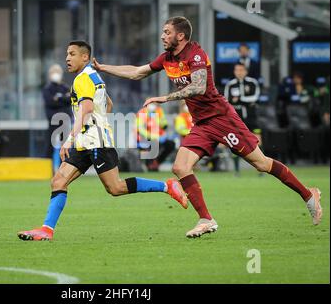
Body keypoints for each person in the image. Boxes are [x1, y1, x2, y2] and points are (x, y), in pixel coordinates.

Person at [92, 16, 322, 238]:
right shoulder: (167, 58)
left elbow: (199, 87)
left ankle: (308, 194)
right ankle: (206, 219)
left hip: (222, 119)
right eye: (163, 32)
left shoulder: (196, 55)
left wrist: (165, 98)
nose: (162, 36)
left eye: (167, 32)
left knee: (261, 164)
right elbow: (138, 72)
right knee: (180, 167)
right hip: (202, 124)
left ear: (180, 36)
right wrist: (103, 68)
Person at [17, 41, 188, 241]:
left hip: (96, 142)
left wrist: (69, 139)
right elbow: (108, 103)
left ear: (85, 57)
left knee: (115, 188)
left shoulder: (82, 79)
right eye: (66, 54)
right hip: (88, 140)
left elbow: (87, 108)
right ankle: (47, 229)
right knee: (59, 181)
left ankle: (167, 186)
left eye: (72, 54)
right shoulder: (93, 76)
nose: (67, 58)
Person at [224, 63, 261, 176]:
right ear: (234, 71)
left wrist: (239, 99)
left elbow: (255, 97)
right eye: (237, 70)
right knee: (236, 143)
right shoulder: (230, 85)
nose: (239, 72)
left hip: (251, 117)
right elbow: (227, 101)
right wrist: (245, 101)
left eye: (241, 70)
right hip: (237, 119)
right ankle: (237, 170)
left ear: (246, 71)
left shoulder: (252, 83)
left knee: (258, 141)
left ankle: (261, 168)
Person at [42, 64, 72, 171]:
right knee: (49, 146)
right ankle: (47, 171)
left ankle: (63, 169)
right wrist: (63, 99)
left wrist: (58, 99)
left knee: (65, 146)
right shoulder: (47, 89)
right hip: (53, 121)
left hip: (65, 120)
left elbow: (70, 100)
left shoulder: (65, 87)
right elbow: (50, 102)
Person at [136, 103, 175, 171]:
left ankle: (157, 162)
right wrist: (151, 136)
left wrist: (157, 118)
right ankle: (150, 165)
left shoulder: (159, 111)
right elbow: (141, 129)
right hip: (145, 137)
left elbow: (164, 125)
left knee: (171, 144)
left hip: (159, 137)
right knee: (153, 144)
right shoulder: (142, 113)